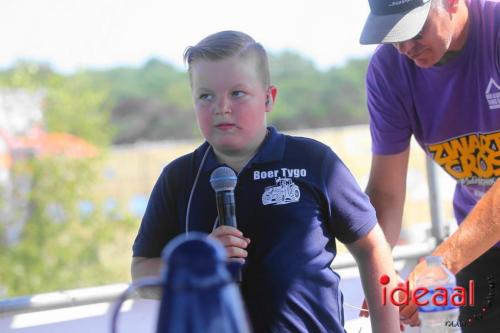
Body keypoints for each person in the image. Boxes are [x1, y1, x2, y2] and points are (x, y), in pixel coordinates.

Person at [131, 30, 400, 333]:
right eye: (206, 96)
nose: (222, 108)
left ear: (269, 98)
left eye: (237, 93)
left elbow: (372, 246)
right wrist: (196, 264)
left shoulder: (313, 161)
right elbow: (141, 275)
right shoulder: (178, 178)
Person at [359, 0, 500, 331]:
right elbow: (386, 192)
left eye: (415, 30)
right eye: (394, 35)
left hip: (464, 249)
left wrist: (438, 266)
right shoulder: (388, 71)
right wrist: (378, 270)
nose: (406, 47)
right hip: (481, 250)